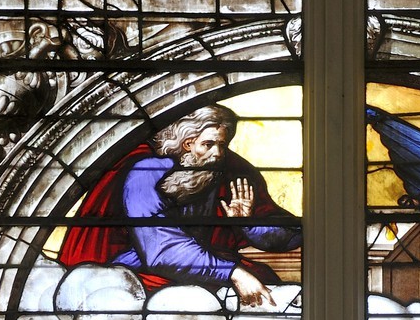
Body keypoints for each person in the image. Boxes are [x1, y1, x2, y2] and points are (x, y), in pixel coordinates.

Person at [60, 103, 301, 308]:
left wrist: (248, 224)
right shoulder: (146, 172)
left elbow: (290, 236)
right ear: (187, 143)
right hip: (140, 274)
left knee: (267, 288)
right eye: (208, 144)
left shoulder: (227, 170)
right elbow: (160, 249)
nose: (218, 154)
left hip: (204, 269)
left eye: (222, 145)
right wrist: (233, 272)